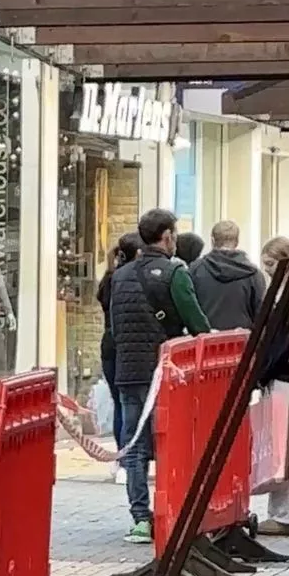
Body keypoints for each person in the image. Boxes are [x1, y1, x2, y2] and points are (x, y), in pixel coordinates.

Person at [110, 208, 211, 543]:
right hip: (166, 374)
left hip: (128, 370)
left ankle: (140, 518)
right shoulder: (174, 274)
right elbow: (198, 325)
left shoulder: (119, 276)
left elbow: (114, 327)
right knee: (171, 443)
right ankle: (172, 512)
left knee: (134, 447)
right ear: (167, 236)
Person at [257, 236, 289, 536]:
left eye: (270, 263)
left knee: (282, 447)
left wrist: (263, 369)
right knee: (281, 446)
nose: (266, 269)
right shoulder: (283, 292)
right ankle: (281, 510)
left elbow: (281, 341)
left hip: (282, 377)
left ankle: (284, 513)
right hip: (280, 376)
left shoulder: (288, 297)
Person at [97, 232, 141, 449]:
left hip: (109, 345)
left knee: (119, 403)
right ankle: (130, 454)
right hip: (127, 346)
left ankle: (121, 453)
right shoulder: (130, 280)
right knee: (130, 404)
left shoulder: (108, 279)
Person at [189, 220, 265, 330]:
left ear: (212, 240)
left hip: (207, 340)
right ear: (237, 241)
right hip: (241, 340)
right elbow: (260, 313)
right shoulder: (254, 273)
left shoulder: (195, 269)